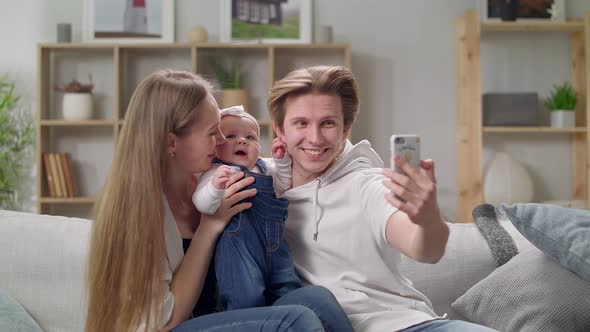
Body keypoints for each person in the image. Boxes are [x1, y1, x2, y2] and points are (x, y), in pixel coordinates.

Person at [85, 69, 354, 332]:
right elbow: (166, 320)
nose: (223, 139)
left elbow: (274, 174)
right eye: (213, 132)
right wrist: (209, 227)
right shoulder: (139, 211)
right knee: (294, 320)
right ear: (171, 143)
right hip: (168, 325)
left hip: (223, 314)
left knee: (317, 300)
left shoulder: (212, 175)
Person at [267, 65, 497, 332]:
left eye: (328, 123)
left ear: (346, 129)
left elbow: (426, 250)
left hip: (404, 325)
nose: (315, 138)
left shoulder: (369, 184)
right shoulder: (263, 183)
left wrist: (429, 218)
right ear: (280, 129)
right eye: (301, 123)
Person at [192, 105, 302, 310]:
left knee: (289, 288)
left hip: (275, 243)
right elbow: (202, 204)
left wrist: (282, 161)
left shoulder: (265, 167)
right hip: (238, 245)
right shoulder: (216, 171)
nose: (242, 141)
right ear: (215, 145)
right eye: (231, 136)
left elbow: (284, 184)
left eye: (251, 138)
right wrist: (216, 187)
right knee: (246, 295)